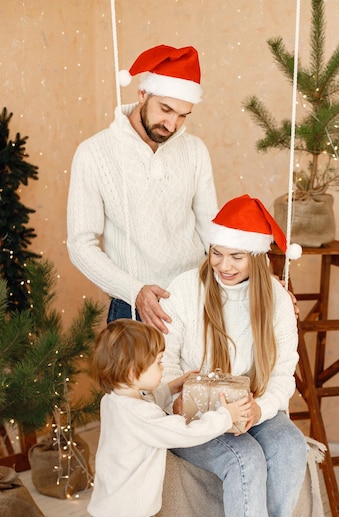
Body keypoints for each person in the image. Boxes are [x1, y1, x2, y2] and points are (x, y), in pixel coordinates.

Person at [160, 195, 308, 517]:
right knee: (245, 461)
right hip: (196, 414)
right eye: (217, 253)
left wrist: (257, 411)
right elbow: (165, 364)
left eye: (236, 256)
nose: (224, 265)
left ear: (257, 256)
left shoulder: (277, 300)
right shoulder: (187, 289)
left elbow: (284, 374)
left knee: (288, 447)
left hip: (252, 406)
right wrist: (180, 401)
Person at [88, 318, 251, 517]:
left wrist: (172, 386)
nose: (163, 367)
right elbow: (183, 432)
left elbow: (146, 399)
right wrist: (223, 416)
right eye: (159, 363)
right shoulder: (140, 414)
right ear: (134, 372)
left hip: (110, 513)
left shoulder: (114, 400)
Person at [67, 44, 218, 333]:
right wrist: (134, 290)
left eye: (183, 115)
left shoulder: (195, 151)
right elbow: (80, 244)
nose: (172, 124)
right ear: (142, 94)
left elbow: (213, 233)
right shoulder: (94, 153)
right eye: (166, 109)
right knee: (136, 381)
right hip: (130, 305)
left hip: (196, 301)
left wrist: (262, 289)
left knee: (196, 380)